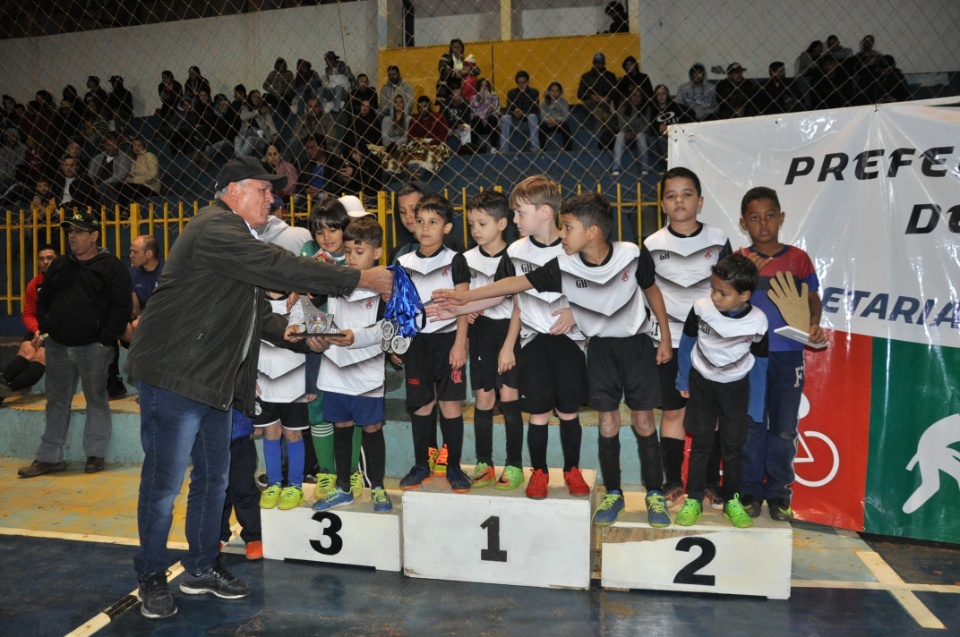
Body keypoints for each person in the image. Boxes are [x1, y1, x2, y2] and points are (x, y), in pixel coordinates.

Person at [126, 157, 393, 620]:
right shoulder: (215, 228)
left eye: (273, 192)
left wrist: (284, 331)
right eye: (263, 190)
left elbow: (246, 309)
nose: (272, 198)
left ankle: (202, 567)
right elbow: (278, 267)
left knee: (214, 480)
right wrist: (358, 278)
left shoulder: (234, 237)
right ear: (233, 190)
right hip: (173, 376)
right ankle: (150, 576)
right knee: (165, 483)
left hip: (212, 380)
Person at [434, 192, 673, 528]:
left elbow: (651, 290)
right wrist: (465, 298)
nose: (563, 234)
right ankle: (615, 492)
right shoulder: (562, 265)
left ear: (592, 232)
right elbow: (515, 285)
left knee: (645, 421)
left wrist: (664, 335)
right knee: (607, 423)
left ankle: (654, 494)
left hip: (637, 348)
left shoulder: (632, 254)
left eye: (569, 227)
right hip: (601, 350)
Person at [431, 176, 589, 501]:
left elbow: (597, 291)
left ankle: (572, 469)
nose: (514, 221)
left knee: (570, 411)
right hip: (531, 343)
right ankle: (539, 472)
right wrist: (462, 304)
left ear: (544, 212)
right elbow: (502, 294)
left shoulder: (573, 245)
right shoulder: (516, 251)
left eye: (519, 214)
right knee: (539, 413)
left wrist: (578, 313)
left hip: (570, 343)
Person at [17, 211, 131, 479]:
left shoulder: (111, 267)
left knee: (96, 399)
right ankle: (49, 458)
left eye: (79, 232)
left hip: (94, 347)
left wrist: (104, 339)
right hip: (58, 346)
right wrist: (47, 330)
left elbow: (121, 307)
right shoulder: (59, 265)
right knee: (56, 400)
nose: (72, 236)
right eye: (70, 231)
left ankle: (95, 454)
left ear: (94, 236)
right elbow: (44, 302)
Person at [737, 186, 827, 522]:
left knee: (785, 428)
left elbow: (812, 298)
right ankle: (748, 491)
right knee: (751, 426)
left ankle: (778, 494)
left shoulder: (798, 258)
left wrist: (814, 323)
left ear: (781, 218)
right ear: (743, 222)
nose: (764, 224)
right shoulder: (740, 258)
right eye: (755, 218)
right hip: (749, 357)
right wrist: (746, 274)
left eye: (770, 216)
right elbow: (726, 299)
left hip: (788, 355)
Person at [644, 168, 731, 506]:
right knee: (673, 412)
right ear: (662, 203)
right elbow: (649, 296)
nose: (679, 200)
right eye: (671, 195)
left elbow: (729, 291)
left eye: (686, 194)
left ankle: (709, 483)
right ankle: (672, 482)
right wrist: (663, 339)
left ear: (700, 201)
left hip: (710, 344)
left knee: (712, 415)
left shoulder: (719, 238)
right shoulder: (652, 244)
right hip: (670, 343)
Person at [674, 254, 769, 529]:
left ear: (745, 294)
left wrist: (756, 403)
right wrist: (683, 379)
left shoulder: (759, 322)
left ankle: (733, 501)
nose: (715, 297)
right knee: (702, 444)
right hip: (702, 384)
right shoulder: (701, 307)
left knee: (733, 448)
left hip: (736, 389)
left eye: (723, 293)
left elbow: (761, 363)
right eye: (713, 289)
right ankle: (693, 499)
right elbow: (687, 342)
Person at [307, 216, 392, 513]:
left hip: (367, 376)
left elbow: (388, 330)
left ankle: (378, 486)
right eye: (349, 252)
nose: (352, 258)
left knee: (372, 427)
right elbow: (318, 314)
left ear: (377, 253)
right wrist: (314, 335)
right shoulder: (335, 280)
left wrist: (356, 336)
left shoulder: (385, 285)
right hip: (334, 374)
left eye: (360, 252)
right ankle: (343, 487)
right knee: (341, 426)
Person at [396, 193, 472, 493]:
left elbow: (464, 304)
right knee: (422, 406)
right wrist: (399, 342)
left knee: (450, 404)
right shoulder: (402, 262)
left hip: (448, 340)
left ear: (447, 228)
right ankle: (421, 464)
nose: (425, 228)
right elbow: (399, 307)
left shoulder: (456, 260)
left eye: (433, 222)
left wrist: (460, 343)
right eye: (420, 221)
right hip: (417, 343)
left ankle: (453, 466)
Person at [299, 196, 364, 502]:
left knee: (351, 405)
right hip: (317, 342)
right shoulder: (308, 253)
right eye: (320, 230)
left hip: (350, 341)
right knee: (316, 403)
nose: (327, 236)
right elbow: (307, 297)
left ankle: (351, 472)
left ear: (345, 228)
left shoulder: (356, 250)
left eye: (334, 229)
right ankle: (326, 472)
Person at [461, 191, 525, 489]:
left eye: (482, 223)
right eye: (471, 223)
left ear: (502, 223)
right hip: (481, 334)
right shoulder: (465, 259)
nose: (475, 230)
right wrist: (467, 313)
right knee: (484, 398)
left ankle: (514, 465)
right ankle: (484, 462)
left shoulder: (516, 257)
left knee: (509, 397)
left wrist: (510, 345)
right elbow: (463, 300)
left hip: (508, 334)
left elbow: (519, 306)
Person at [0, 244, 58, 403]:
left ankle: (5, 390)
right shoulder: (34, 284)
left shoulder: (66, 281)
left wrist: (45, 334)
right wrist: (37, 331)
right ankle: (2, 383)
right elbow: (28, 314)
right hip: (40, 330)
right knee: (26, 350)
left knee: (41, 356)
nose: (45, 262)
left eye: (50, 258)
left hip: (58, 332)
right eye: (41, 259)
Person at [219, 408, 263, 561]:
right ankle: (217, 535)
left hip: (242, 437)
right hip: (211, 438)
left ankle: (254, 536)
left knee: (243, 487)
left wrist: (258, 418)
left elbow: (253, 391)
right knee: (217, 491)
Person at [391, 181, 465, 262]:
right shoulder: (399, 253)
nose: (408, 216)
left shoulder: (451, 245)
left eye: (414, 209)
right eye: (402, 212)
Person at [577, 52, 618, 146]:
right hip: (593, 103)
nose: (597, 64)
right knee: (588, 103)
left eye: (600, 62)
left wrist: (608, 98)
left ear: (604, 63)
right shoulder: (586, 76)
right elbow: (580, 94)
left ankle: (600, 121)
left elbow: (616, 92)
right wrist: (592, 96)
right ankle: (604, 119)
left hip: (606, 103)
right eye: (596, 62)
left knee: (612, 105)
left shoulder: (611, 76)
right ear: (593, 62)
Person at [610, 84, 650, 177]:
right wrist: (628, 132)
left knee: (640, 136)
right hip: (627, 135)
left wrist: (635, 112)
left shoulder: (647, 110)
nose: (636, 98)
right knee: (620, 135)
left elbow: (646, 127)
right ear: (630, 97)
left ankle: (644, 168)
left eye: (639, 96)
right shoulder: (623, 109)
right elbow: (622, 126)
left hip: (642, 135)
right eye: (634, 95)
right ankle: (616, 167)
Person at [87, 131, 131, 209]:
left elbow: (121, 175)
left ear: (118, 145)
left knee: (105, 187)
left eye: (114, 145)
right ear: (104, 145)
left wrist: (103, 184)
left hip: (113, 185)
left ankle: (112, 214)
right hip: (95, 186)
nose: (112, 147)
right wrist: (93, 185)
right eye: (109, 145)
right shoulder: (97, 158)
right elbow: (90, 174)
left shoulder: (124, 157)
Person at [500, 71, 540, 153]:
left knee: (533, 116)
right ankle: (504, 150)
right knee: (506, 117)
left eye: (524, 83)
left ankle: (535, 148)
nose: (521, 85)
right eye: (519, 83)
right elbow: (508, 110)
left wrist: (523, 113)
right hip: (515, 121)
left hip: (528, 122)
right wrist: (515, 113)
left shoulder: (534, 92)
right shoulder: (511, 93)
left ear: (528, 82)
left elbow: (535, 110)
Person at [129, 234, 163, 321]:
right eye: (131, 251)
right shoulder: (132, 273)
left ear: (149, 254)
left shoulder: (166, 273)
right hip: (143, 319)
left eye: (135, 252)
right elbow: (135, 308)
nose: (130, 256)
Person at [117, 138, 161, 203]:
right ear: (132, 147)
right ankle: (123, 210)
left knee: (126, 188)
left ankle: (127, 211)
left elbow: (153, 174)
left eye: (139, 145)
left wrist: (134, 180)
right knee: (118, 186)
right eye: (134, 145)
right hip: (138, 186)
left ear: (144, 147)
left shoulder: (149, 156)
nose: (137, 147)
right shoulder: (133, 161)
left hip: (150, 188)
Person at [437, 38, 480, 105]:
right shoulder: (446, 57)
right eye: (454, 47)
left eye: (458, 47)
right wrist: (457, 74)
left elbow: (477, 70)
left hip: (461, 91)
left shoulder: (465, 60)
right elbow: (442, 69)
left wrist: (465, 72)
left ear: (462, 48)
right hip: (446, 89)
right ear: (451, 48)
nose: (456, 49)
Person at [468, 78, 501, 153]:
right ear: (478, 87)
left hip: (491, 124)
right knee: (476, 119)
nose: (484, 87)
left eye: (486, 86)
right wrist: (481, 102)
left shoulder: (494, 97)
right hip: (479, 124)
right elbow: (472, 114)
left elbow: (497, 112)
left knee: (492, 117)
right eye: (481, 85)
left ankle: (494, 148)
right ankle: (474, 147)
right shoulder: (473, 98)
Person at [539, 81, 572, 152]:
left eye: (557, 91)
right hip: (548, 123)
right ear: (549, 91)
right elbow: (542, 116)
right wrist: (549, 120)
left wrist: (556, 120)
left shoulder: (564, 102)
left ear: (560, 93)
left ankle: (568, 149)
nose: (554, 93)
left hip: (559, 123)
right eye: (552, 90)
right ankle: (542, 149)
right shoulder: (544, 103)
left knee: (566, 125)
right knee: (541, 127)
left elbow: (566, 116)